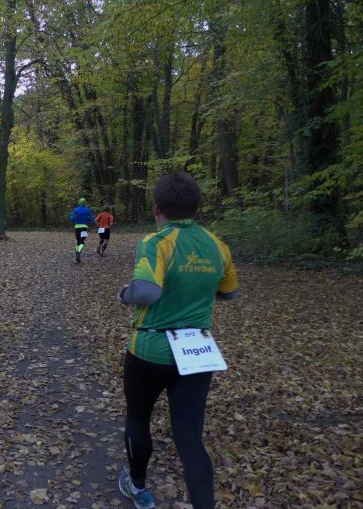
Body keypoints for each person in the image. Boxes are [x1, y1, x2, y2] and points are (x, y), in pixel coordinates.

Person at [116, 171, 238, 509]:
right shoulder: (217, 245)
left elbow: (147, 291)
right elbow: (229, 292)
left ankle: (137, 486)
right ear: (196, 207)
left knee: (138, 418)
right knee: (189, 438)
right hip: (197, 351)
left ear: (157, 209)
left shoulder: (156, 242)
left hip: (151, 349)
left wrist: (125, 294)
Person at [69, 198, 94, 263]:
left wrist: (75, 216)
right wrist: (90, 218)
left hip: (77, 227)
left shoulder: (75, 210)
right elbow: (91, 220)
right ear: (85, 203)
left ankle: (77, 253)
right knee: (82, 242)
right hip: (84, 228)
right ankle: (78, 253)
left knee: (78, 242)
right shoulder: (88, 210)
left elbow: (71, 218)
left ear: (79, 203)